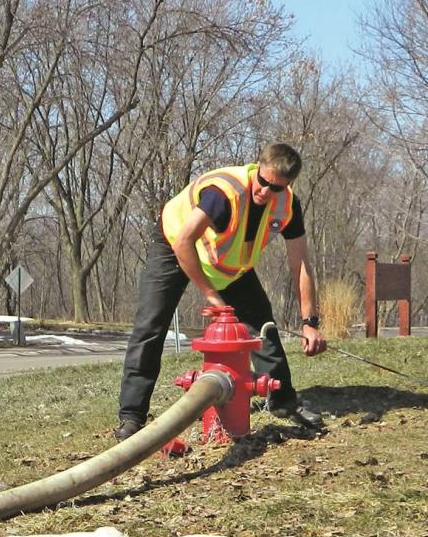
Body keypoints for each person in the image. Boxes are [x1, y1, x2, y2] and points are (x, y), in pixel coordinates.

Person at [116, 141, 326, 438]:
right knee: (151, 326)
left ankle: (282, 400)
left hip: (227, 263)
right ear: (258, 169)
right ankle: (131, 416)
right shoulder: (224, 193)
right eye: (263, 182)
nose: (266, 192)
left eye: (276, 188)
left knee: (262, 325)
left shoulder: (288, 206)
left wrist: (310, 323)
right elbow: (184, 242)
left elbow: (300, 265)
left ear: (289, 184)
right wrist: (211, 295)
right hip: (173, 244)